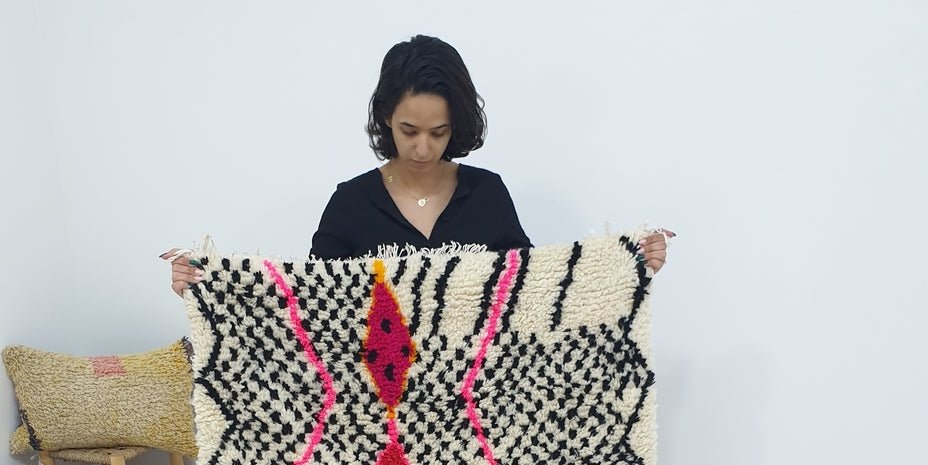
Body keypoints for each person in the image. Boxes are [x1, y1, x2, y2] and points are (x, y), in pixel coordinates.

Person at [163, 35, 669, 294]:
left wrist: (626, 262)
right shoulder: (351, 204)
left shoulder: (487, 195)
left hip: (478, 416)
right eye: (409, 131)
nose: (424, 148)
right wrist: (211, 283)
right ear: (386, 116)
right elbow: (309, 304)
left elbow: (535, 290)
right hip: (375, 420)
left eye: (439, 132)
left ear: (457, 125)